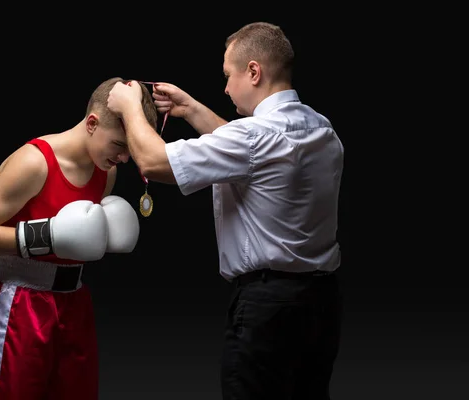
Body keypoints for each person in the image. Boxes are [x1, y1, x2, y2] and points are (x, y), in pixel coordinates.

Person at [107, 22, 344, 400]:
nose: (225, 88)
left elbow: (153, 161)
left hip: (268, 309)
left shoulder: (254, 137)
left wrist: (130, 107)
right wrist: (192, 109)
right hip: (320, 305)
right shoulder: (321, 128)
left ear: (254, 71)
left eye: (228, 76)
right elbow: (251, 157)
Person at [0, 77, 158, 400]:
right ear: (92, 124)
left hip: (74, 303)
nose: (124, 158)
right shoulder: (34, 162)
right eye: (120, 146)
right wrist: (47, 236)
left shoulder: (105, 171)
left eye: (130, 150)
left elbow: (78, 240)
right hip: (19, 305)